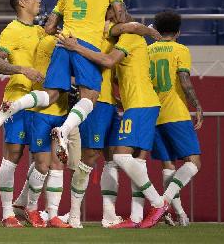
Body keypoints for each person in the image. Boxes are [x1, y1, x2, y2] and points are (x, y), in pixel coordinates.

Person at [0, 0, 127, 165]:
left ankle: (13, 106)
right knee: (90, 97)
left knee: (52, 94)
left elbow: (49, 26)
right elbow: (121, 17)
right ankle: (63, 131)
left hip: (63, 42)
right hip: (84, 44)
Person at [56, 23, 168, 229]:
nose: (113, 23)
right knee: (91, 157)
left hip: (121, 105)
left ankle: (113, 215)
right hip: (98, 103)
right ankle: (73, 214)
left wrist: (149, 31)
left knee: (114, 158)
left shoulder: (121, 38)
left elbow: (111, 61)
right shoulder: (89, 35)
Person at [0, 0, 44, 228]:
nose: (38, 0)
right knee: (13, 156)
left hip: (44, 101)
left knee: (44, 159)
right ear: (22, 2)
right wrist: (22, 69)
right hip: (18, 99)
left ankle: (30, 207)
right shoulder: (12, 30)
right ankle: (7, 213)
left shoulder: (41, 31)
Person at [11, 34, 71, 228]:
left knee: (58, 165)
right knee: (43, 165)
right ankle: (31, 208)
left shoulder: (65, 42)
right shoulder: (49, 42)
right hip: (42, 113)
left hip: (61, 112)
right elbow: (54, 73)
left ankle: (52, 214)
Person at [148, 10, 203, 226]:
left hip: (153, 113)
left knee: (168, 164)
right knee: (194, 162)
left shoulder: (148, 50)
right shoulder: (180, 49)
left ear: (157, 29)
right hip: (175, 112)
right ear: (178, 32)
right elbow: (184, 79)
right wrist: (197, 105)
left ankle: (180, 215)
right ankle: (164, 202)